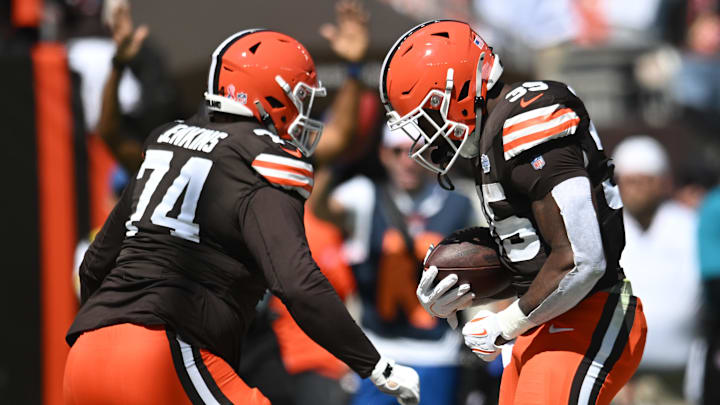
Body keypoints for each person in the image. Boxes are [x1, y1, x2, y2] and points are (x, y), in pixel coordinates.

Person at [63, 29, 420, 405]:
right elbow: (297, 283)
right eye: (299, 99)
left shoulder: (167, 140)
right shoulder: (263, 160)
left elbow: (94, 264)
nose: (303, 113)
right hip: (164, 350)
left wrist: (112, 328)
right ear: (270, 95)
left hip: (86, 354)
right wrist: (377, 366)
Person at [380, 20, 647, 405]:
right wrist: (461, 292)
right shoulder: (492, 136)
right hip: (545, 321)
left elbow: (580, 258)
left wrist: (506, 323)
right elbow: (537, 258)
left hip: (589, 313)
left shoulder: (528, 118)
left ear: (455, 92)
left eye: (426, 118)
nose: (425, 136)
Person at [313, 122, 476, 405]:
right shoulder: (364, 195)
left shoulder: (461, 202)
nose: (407, 160)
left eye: (417, 152)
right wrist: (332, 160)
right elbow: (321, 208)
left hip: (437, 354)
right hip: (378, 354)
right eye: (398, 151)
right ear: (383, 154)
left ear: (433, 155)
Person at [611, 136, 700, 404]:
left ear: (664, 182)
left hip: (679, 378)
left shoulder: (689, 224)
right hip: (618, 378)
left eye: (645, 180)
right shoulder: (606, 230)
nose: (637, 189)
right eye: (630, 181)